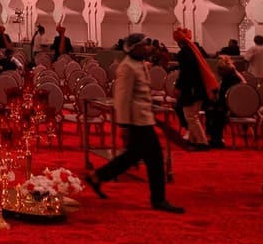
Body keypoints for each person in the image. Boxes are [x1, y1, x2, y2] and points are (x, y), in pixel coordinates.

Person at [86, 34, 184, 213]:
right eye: (143, 45)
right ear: (134, 48)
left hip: (144, 119)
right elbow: (122, 98)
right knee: (154, 159)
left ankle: (97, 177)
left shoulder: (139, 64)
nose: (147, 47)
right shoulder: (127, 67)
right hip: (137, 122)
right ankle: (158, 199)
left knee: (131, 157)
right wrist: (124, 126)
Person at [173, 27, 215, 150]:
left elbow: (185, 74)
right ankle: (193, 140)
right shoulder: (194, 51)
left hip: (191, 90)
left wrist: (178, 87)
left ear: (179, 42)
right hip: (199, 88)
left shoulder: (183, 54)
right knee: (193, 116)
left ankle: (202, 142)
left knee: (191, 117)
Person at [205, 56, 242, 149]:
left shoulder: (230, 80)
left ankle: (216, 139)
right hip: (228, 105)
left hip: (231, 107)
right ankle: (215, 138)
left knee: (215, 113)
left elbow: (225, 96)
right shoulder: (231, 78)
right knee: (211, 110)